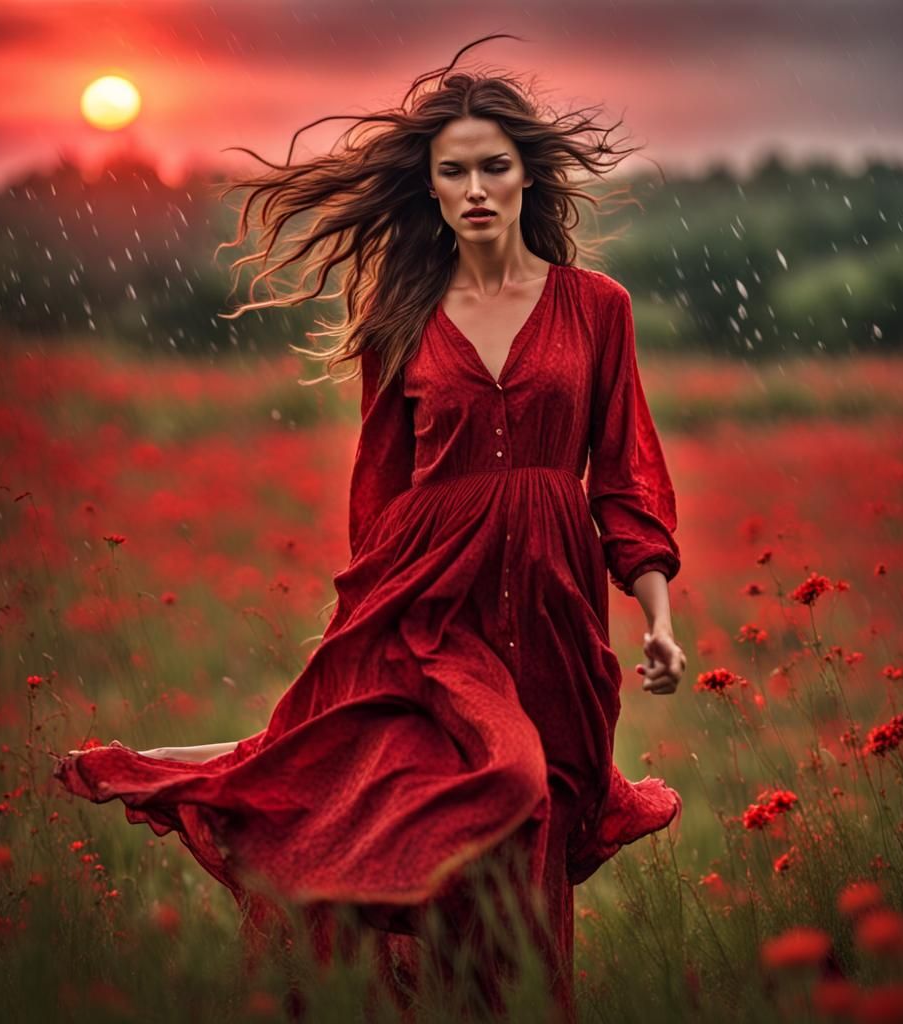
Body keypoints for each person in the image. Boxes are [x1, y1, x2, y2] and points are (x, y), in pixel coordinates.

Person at [51, 34, 687, 1023]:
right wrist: (364, 636)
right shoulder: (402, 314)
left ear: (527, 177)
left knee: (535, 822)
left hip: (558, 612)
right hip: (432, 602)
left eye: (492, 166)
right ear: (429, 189)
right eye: (453, 171)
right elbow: (378, 495)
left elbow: (627, 473)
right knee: (504, 777)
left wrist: (654, 614)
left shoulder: (597, 307)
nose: (474, 187)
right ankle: (287, 791)